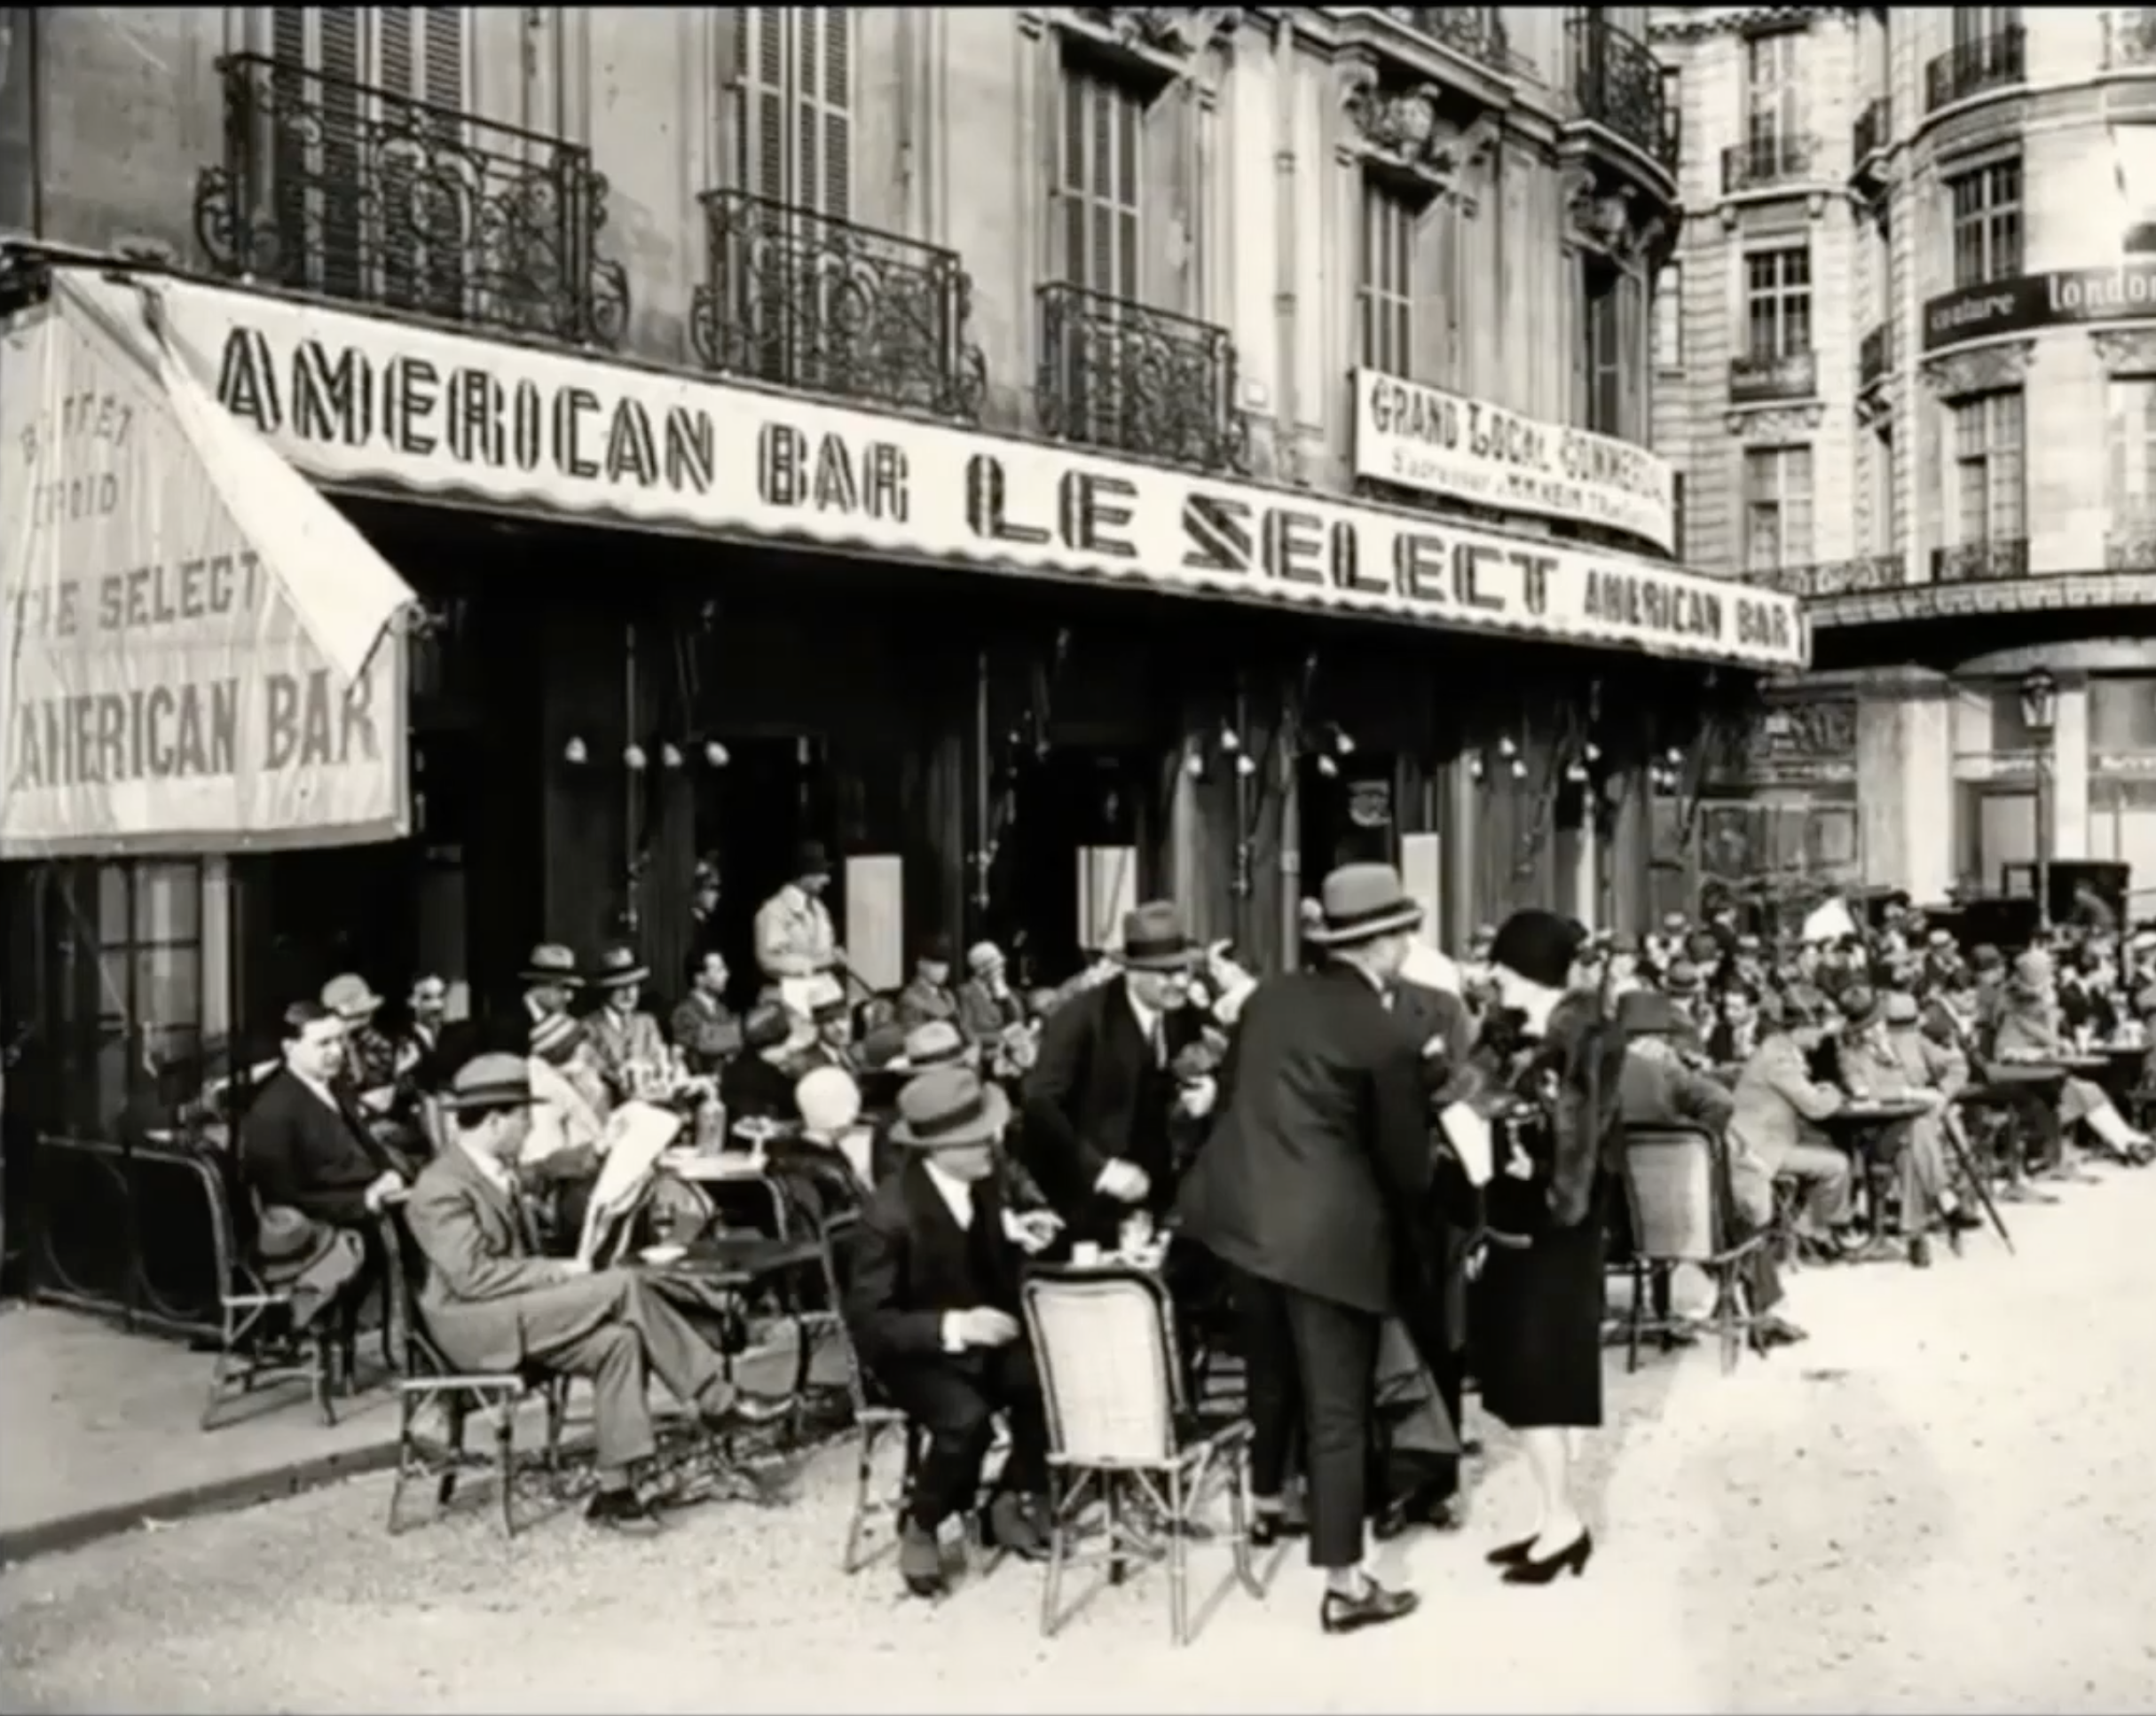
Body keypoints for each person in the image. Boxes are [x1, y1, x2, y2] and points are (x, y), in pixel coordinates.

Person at [1178, 863, 1432, 1634]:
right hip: (1328, 1241)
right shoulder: (1387, 1036)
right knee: (1337, 1410)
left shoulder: (1269, 999)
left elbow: (1230, 1100)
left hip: (1241, 1223)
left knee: (1270, 1370)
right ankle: (1344, 1583)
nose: (1408, 946)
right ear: (1380, 944)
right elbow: (1406, 1170)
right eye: (1404, 934)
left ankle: (1267, 1497)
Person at [400, 1053, 784, 1532]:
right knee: (623, 1284)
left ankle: (614, 1492)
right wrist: (559, 1271)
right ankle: (717, 1399)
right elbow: (472, 1277)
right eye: (525, 1118)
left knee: (620, 1341)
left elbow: (540, 1172)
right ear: (495, 1121)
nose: (531, 1127)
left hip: (511, 1311)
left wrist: (599, 1151)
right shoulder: (440, 1187)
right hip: (474, 1326)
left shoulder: (489, 1166)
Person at [842, 1066, 1061, 1599]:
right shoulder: (890, 1213)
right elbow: (871, 1322)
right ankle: (923, 1522)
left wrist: (1018, 1236)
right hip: (913, 1352)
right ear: (937, 1149)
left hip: (983, 1337)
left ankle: (1006, 1499)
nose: (993, 1144)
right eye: (977, 1138)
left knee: (1052, 1384)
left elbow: (977, 1256)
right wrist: (956, 1326)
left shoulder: (981, 1185)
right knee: (966, 1421)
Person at [1450, 909, 1620, 1588]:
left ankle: (1564, 1523)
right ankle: (1553, 1518)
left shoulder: (1586, 1040)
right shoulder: (1514, 1031)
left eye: (1505, 964)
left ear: (1531, 969)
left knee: (1542, 1380)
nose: (1493, 974)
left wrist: (1539, 1169)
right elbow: (1469, 1091)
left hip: (1555, 1231)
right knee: (1524, 1381)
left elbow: (1582, 1149)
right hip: (1515, 1222)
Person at [1020, 901, 1209, 1248]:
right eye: (1166, 974)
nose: (1181, 982)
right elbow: (1039, 1105)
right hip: (1089, 1204)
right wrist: (1099, 1169)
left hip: (1161, 1199)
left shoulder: (1183, 1015)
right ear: (1132, 973)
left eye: (1184, 969)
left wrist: (1207, 1090)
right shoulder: (1080, 1018)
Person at [240, 1001, 416, 1371]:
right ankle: (419, 1343)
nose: (336, 1052)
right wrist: (363, 1201)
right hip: (315, 1226)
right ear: (290, 1048)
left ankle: (427, 1339)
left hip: (370, 1204)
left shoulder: (335, 1089)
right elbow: (283, 1199)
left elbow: (370, 1147)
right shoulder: (273, 1110)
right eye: (323, 1044)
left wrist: (389, 1174)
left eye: (340, 1041)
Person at [1726, 988, 1858, 1254]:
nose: (1821, 1035)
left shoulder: (1778, 1048)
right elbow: (1815, 1107)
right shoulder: (1780, 1059)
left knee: (1827, 1145)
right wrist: (1836, 1092)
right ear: (1801, 1029)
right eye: (1817, 1029)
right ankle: (1816, 1233)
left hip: (1762, 1141)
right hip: (1760, 1149)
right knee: (1838, 1164)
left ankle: (1807, 1226)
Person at [754, 841, 841, 996]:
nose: (827, 880)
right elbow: (769, 960)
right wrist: (815, 964)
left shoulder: (819, 910)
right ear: (804, 875)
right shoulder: (774, 911)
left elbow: (824, 948)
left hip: (820, 993)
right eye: (820, 873)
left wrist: (834, 956)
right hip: (786, 996)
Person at [669, 949, 741, 1078]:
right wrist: (735, 1035)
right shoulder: (684, 1012)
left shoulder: (722, 1010)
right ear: (700, 978)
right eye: (719, 970)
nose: (726, 974)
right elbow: (705, 1042)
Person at [896, 936, 962, 1031]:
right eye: (936, 964)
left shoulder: (948, 995)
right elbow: (913, 1035)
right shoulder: (910, 999)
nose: (944, 970)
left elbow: (960, 1026)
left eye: (946, 965)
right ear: (921, 965)